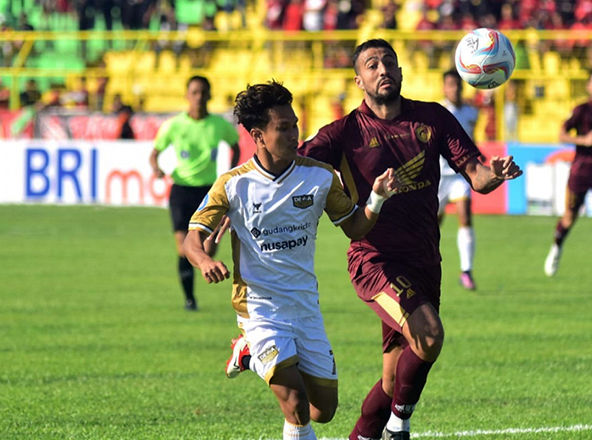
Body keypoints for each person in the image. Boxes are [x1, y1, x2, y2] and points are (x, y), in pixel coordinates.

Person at [299, 39, 521, 440]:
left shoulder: (434, 118)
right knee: (430, 334)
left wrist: (497, 172)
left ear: (401, 72)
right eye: (372, 65)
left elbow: (477, 176)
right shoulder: (343, 133)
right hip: (375, 260)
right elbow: (293, 166)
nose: (382, 70)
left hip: (424, 261)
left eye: (389, 62)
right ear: (359, 80)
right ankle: (399, 428)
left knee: (390, 382)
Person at [184, 80, 399, 440]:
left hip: (305, 306)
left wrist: (376, 198)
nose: (294, 133)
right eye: (283, 128)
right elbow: (193, 238)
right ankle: (253, 343)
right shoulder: (233, 184)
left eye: (295, 124)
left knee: (323, 410)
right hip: (260, 308)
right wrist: (204, 261)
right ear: (258, 135)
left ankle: (248, 355)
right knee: (296, 405)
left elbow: (356, 228)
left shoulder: (318, 177)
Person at [150, 75, 240, 311]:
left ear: (209, 95)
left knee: (208, 248)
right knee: (184, 249)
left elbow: (235, 145)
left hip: (208, 191)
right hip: (181, 190)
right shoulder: (174, 125)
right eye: (195, 92)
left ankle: (205, 265)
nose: (199, 97)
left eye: (203, 92)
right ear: (187, 95)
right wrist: (157, 168)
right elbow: (155, 152)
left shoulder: (219, 125)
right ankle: (190, 299)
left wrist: (231, 172)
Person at [544, 67, 592, 285]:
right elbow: (561, 135)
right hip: (580, 173)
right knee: (569, 218)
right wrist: (584, 140)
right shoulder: (581, 111)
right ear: (589, 86)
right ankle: (556, 248)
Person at [438, 69, 480, 290]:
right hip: (438, 177)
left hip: (460, 175)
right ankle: (422, 264)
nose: (455, 88)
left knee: (465, 217)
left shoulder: (472, 112)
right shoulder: (437, 113)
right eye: (450, 85)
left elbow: (470, 140)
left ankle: (466, 271)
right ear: (444, 88)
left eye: (458, 85)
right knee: (431, 228)